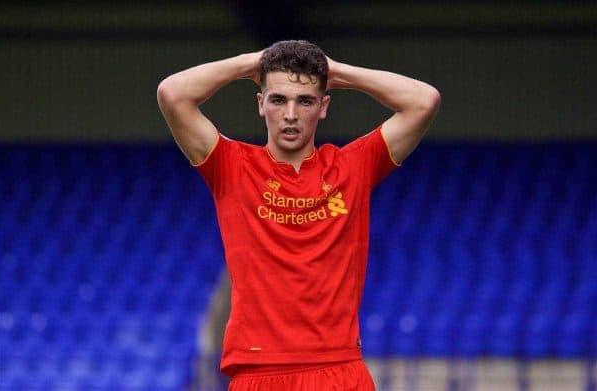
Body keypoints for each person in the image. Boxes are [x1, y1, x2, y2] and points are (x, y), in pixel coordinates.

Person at [157, 40, 440, 390]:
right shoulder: (231, 167)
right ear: (261, 103)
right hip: (258, 374)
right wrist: (252, 63)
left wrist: (336, 72)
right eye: (278, 99)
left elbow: (424, 101)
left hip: (338, 369)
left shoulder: (352, 167)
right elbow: (172, 94)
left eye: (304, 100)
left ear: (323, 106)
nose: (290, 114)